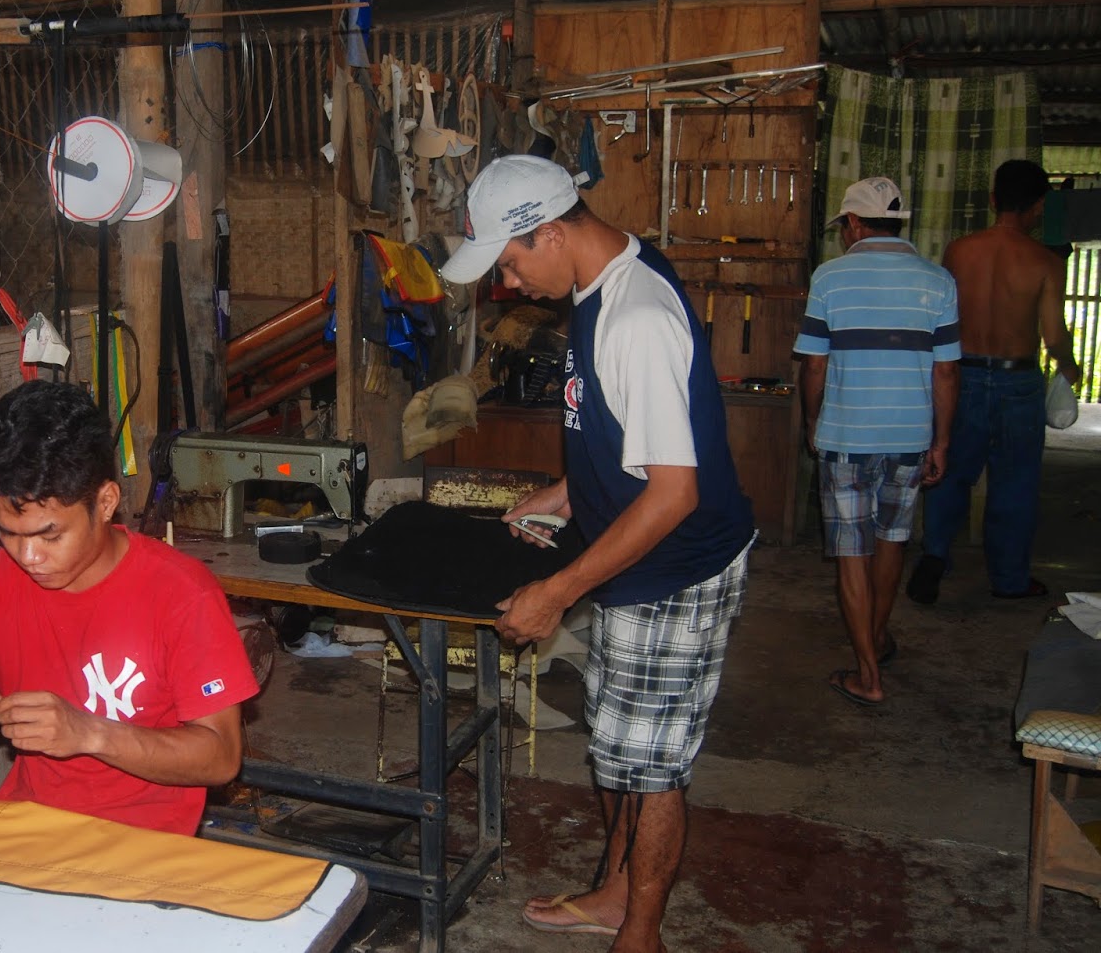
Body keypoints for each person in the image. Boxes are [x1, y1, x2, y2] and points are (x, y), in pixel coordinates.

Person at [442, 154, 756, 953]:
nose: (508, 281)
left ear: (550, 232)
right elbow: (627, 436)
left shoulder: (634, 317)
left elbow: (672, 492)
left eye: (511, 262)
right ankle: (617, 894)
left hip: (676, 568)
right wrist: (566, 490)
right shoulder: (597, 283)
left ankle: (640, 932)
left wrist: (558, 590)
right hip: (635, 563)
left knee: (652, 766)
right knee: (620, 749)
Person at [0, 380, 258, 836]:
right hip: (29, 830)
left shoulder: (181, 594)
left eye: (50, 535)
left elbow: (221, 757)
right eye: (7, 533)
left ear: (105, 502)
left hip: (143, 841)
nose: (28, 557)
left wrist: (90, 733)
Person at [794, 177, 960, 706]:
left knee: (852, 553)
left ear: (854, 224)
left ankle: (868, 674)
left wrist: (812, 422)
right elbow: (947, 373)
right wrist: (941, 442)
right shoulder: (938, 281)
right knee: (892, 542)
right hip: (910, 435)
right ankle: (879, 637)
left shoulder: (830, 277)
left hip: (847, 435)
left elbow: (814, 366)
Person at [908, 159, 1081, 603]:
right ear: (1038, 206)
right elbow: (1053, 335)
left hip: (962, 374)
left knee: (949, 471)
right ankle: (1009, 579)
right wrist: (1069, 366)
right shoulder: (1044, 261)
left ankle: (935, 556)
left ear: (992, 200)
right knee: (1015, 484)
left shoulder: (959, 251)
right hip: (1016, 381)